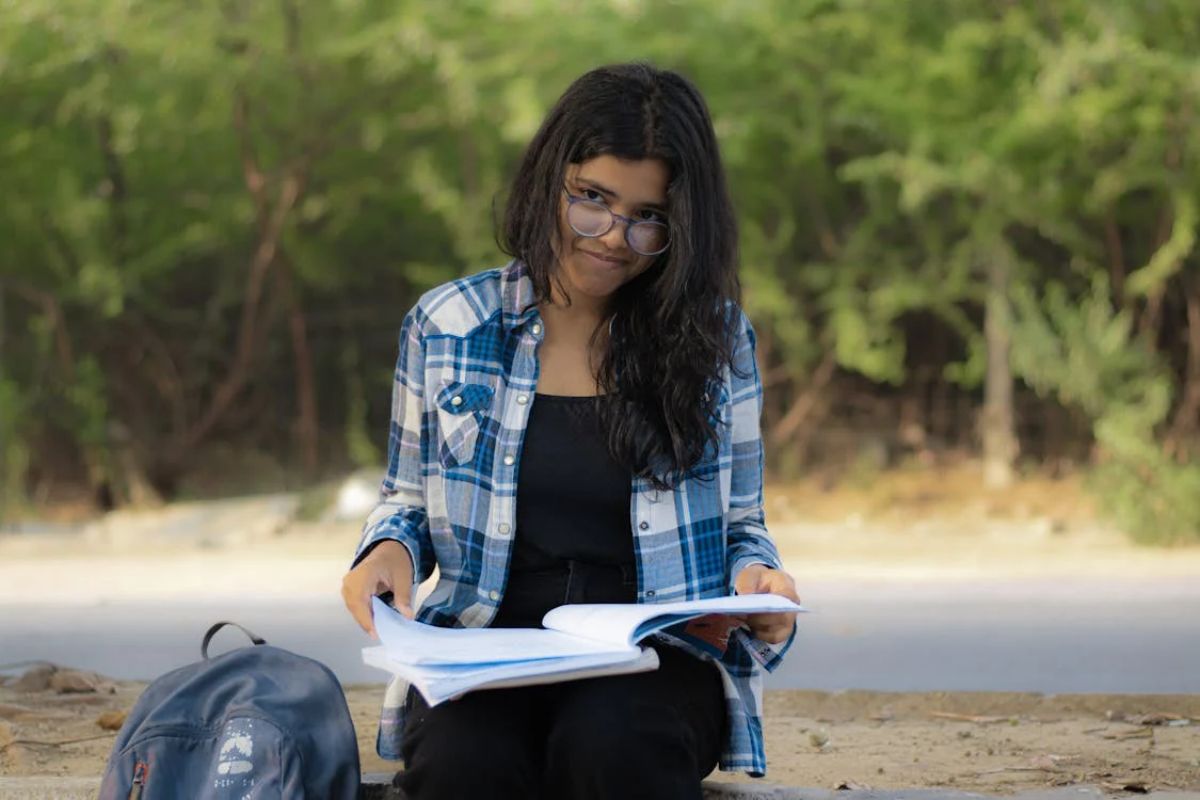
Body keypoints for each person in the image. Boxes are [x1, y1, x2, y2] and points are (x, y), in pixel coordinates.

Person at [341, 62, 801, 799]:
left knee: (613, 748)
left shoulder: (715, 340)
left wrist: (757, 587)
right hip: (484, 649)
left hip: (653, 658)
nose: (614, 238)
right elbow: (404, 498)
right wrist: (387, 549)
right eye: (592, 200)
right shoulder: (447, 325)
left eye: (648, 216)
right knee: (466, 766)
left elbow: (744, 526)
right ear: (549, 179)